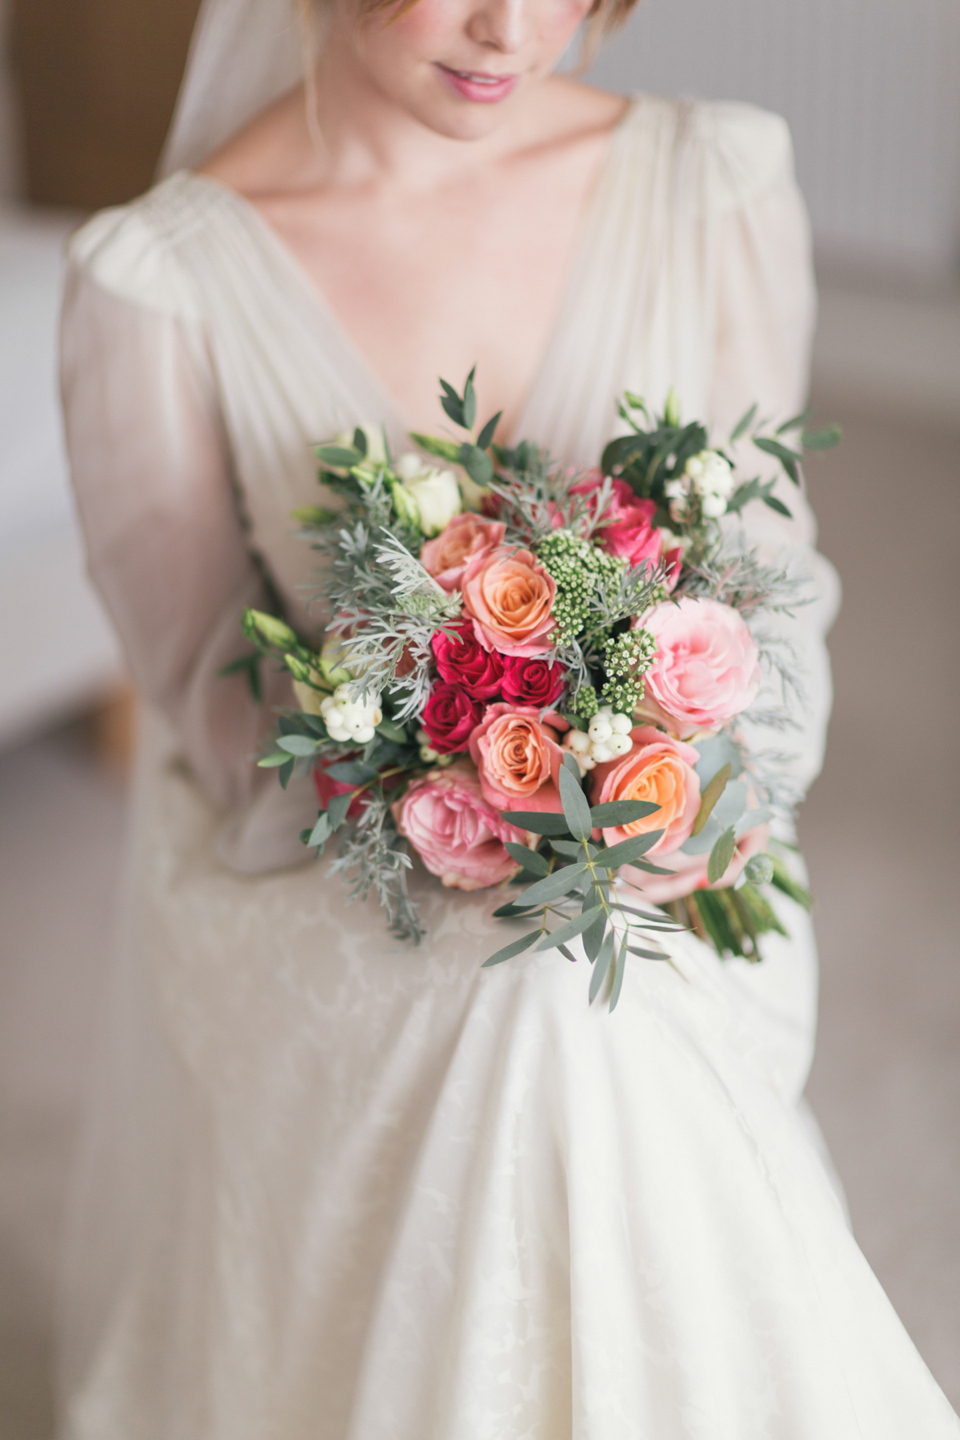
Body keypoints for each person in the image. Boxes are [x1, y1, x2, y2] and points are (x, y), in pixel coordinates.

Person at [58, 0, 960, 1434]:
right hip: (329, 858)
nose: (507, 27)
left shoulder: (711, 182)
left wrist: (698, 799)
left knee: (580, 1008)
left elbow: (769, 584)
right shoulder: (157, 285)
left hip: (679, 838)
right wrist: (453, 799)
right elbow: (205, 696)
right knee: (545, 1018)